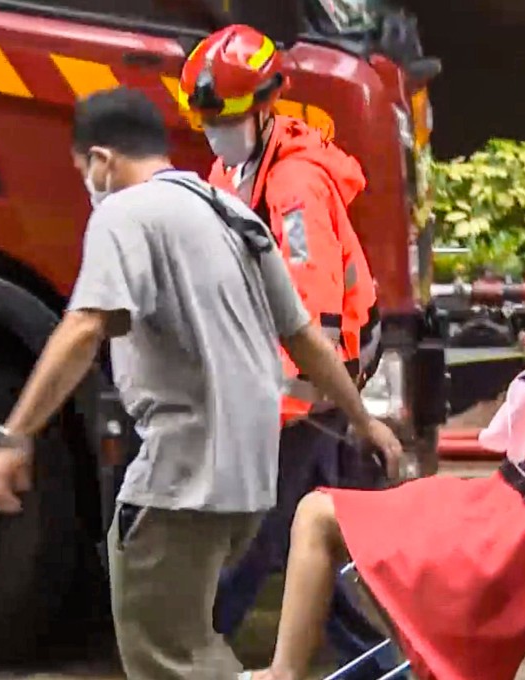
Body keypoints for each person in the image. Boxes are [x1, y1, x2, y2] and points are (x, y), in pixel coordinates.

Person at [0, 86, 402, 680]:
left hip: (181, 478)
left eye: (84, 171)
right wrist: (363, 420)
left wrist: (15, 435)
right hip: (250, 481)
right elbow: (304, 335)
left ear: (101, 160)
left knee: (164, 657)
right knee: (192, 639)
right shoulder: (231, 210)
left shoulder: (125, 213)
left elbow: (83, 328)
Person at [243, 260, 525, 680]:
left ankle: (285, 673)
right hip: (491, 520)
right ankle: (290, 670)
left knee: (316, 514)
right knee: (318, 513)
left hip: (497, 546)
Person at [176, 25, 388, 670]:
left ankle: (192, 648)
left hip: (315, 377)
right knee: (305, 535)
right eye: (209, 119)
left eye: (228, 117)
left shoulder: (295, 185)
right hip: (296, 379)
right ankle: (382, 662)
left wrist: (280, 406)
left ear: (267, 105)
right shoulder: (234, 167)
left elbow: (311, 309)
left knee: (263, 531)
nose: (216, 130)